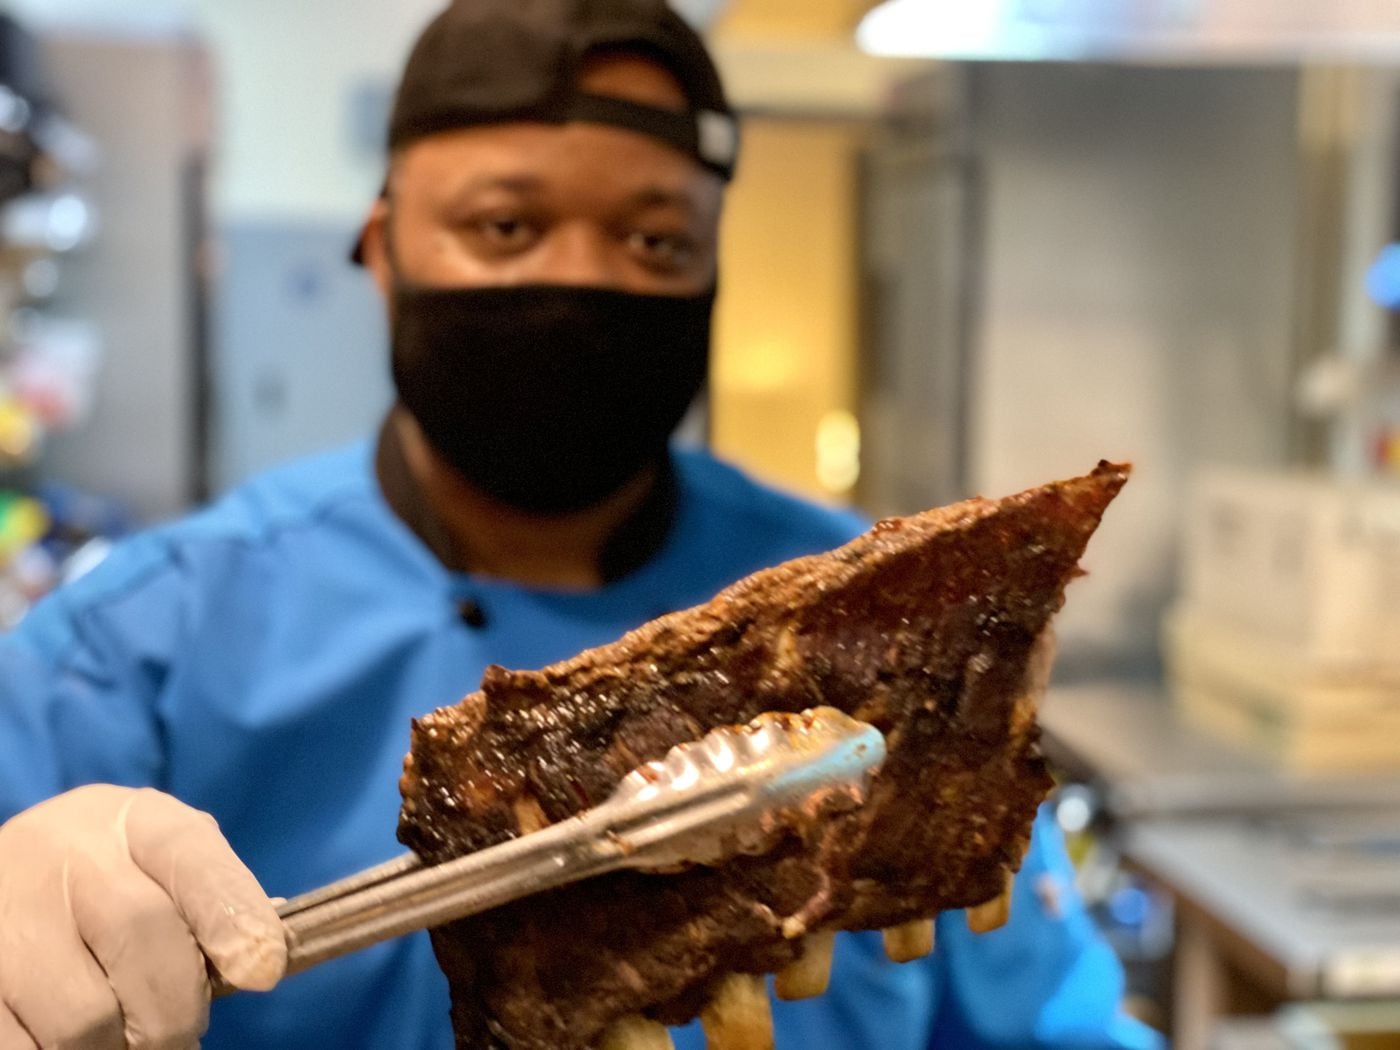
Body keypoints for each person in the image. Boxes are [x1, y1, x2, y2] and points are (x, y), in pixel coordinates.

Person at [0, 2, 1163, 1048]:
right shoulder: (130, 654)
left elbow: (1048, 1023)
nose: (581, 277)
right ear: (381, 251)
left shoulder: (881, 616)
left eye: (655, 241)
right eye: (504, 227)